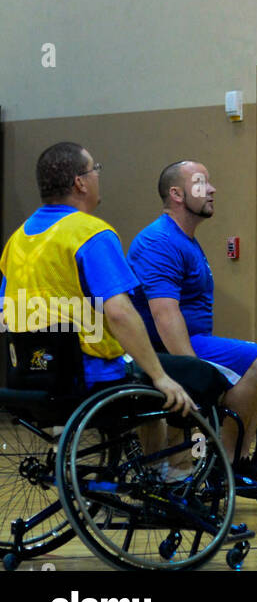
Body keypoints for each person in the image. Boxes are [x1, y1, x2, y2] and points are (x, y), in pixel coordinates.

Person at [0, 142, 223, 416]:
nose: (97, 175)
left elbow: (5, 313)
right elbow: (119, 313)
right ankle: (171, 460)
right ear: (80, 183)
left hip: (30, 376)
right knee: (194, 373)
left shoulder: (18, 239)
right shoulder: (91, 233)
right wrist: (159, 376)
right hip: (92, 376)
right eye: (95, 169)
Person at [128, 160, 257, 462]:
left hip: (191, 340)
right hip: (160, 349)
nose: (212, 189)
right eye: (201, 182)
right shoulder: (160, 241)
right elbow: (164, 314)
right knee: (256, 361)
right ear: (177, 194)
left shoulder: (184, 240)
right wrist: (193, 374)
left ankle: (237, 457)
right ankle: (223, 459)